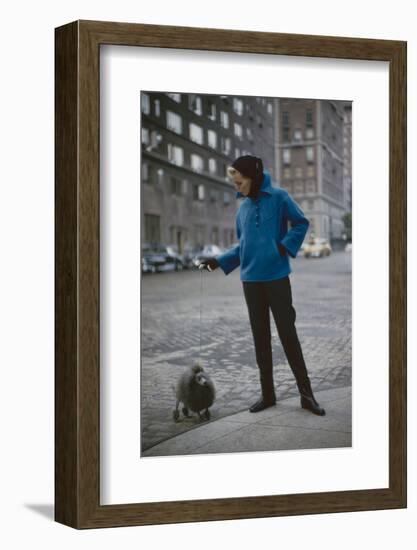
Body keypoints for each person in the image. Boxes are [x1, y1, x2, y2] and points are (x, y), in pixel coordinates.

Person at [199, 155, 325, 415]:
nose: (236, 186)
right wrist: (218, 261)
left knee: (288, 336)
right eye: (234, 182)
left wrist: (284, 245)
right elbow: (242, 247)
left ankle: (307, 395)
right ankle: (268, 395)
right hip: (251, 282)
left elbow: (301, 222)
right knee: (260, 339)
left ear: (253, 177)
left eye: (239, 181)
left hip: (277, 279)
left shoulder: (279, 197)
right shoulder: (242, 209)